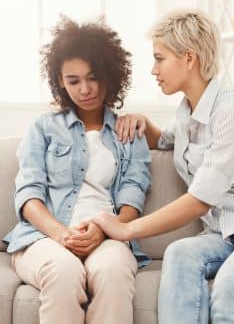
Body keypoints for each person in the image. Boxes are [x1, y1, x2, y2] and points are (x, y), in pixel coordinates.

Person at [91, 10, 234, 324]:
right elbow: (164, 140)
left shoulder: (232, 114)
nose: (153, 70)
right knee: (179, 253)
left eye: (159, 58)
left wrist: (126, 229)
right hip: (227, 234)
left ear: (189, 58)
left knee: (232, 284)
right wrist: (143, 123)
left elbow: (199, 201)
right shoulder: (187, 111)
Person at [3, 17, 151, 324]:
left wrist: (104, 230)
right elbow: (29, 196)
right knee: (63, 271)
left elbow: (131, 201)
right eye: (73, 80)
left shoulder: (128, 132)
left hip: (108, 238)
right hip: (44, 238)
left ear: (110, 75)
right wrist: (61, 235)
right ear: (60, 82)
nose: (85, 89)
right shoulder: (42, 129)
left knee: (113, 274)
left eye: (93, 77)